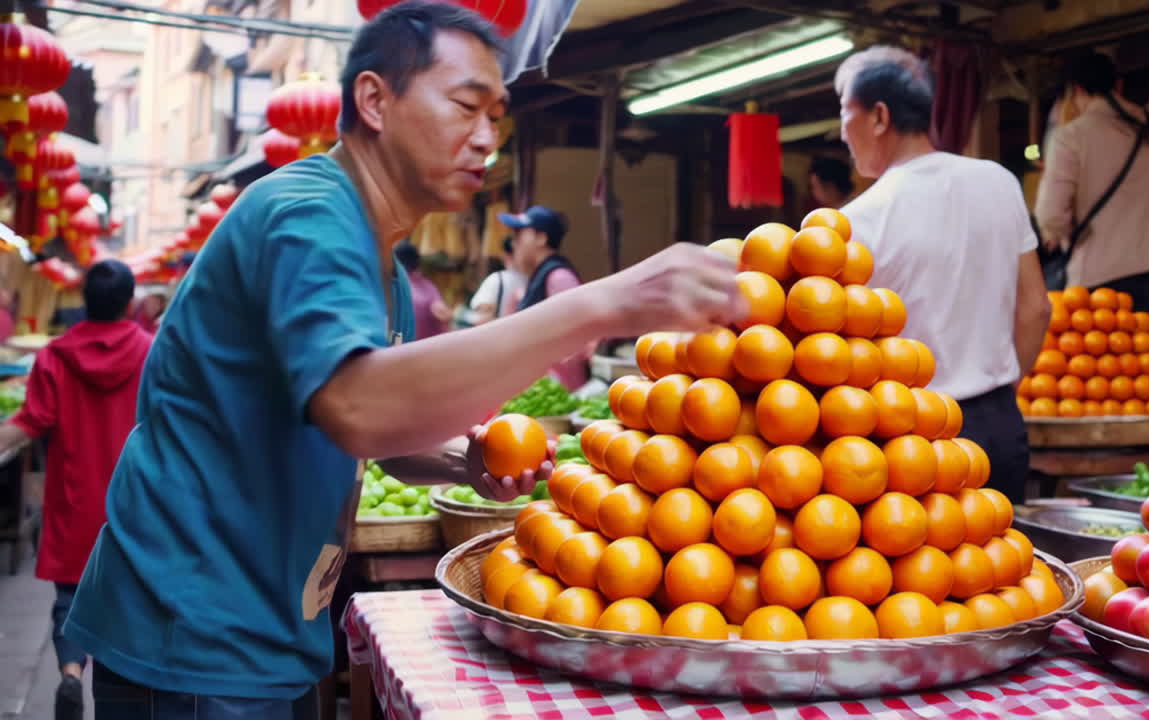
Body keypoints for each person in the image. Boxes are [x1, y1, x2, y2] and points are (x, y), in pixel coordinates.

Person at [63, 4, 742, 717]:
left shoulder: (373, 255)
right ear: (374, 100)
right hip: (196, 638)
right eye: (464, 106)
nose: (487, 139)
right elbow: (359, 407)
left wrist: (458, 462)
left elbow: (363, 423)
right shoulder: (308, 215)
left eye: (497, 116)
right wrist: (604, 304)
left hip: (262, 630)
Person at [834, 46, 1051, 505]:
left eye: (843, 114)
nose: (842, 134)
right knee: (1002, 570)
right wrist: (999, 382)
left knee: (922, 574)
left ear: (878, 117)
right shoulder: (998, 181)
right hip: (999, 424)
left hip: (913, 439)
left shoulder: (859, 219)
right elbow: (1036, 307)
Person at [0, 260, 152, 720]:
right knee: (128, 594)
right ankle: (118, 683)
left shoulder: (54, 355)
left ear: (83, 301)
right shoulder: (152, 351)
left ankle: (70, 673)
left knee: (70, 596)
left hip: (74, 494)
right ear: (130, 303)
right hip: (134, 498)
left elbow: (34, 420)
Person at [1034, 52, 1149, 341]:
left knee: (1107, 379)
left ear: (1077, 90)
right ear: (1117, 85)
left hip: (1100, 277)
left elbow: (1050, 215)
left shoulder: (1071, 137)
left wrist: (1058, 233)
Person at [502, 204, 591, 389]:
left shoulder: (559, 278)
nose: (514, 242)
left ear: (541, 238)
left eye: (519, 234)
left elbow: (576, 342)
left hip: (556, 396)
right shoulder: (539, 278)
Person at [394, 241, 451, 339]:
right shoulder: (428, 288)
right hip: (428, 349)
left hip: (402, 349)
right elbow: (443, 314)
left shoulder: (393, 287)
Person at [466, 236, 526, 325]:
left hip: (502, 334)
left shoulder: (496, 279)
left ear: (504, 255)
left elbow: (482, 318)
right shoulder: (532, 279)